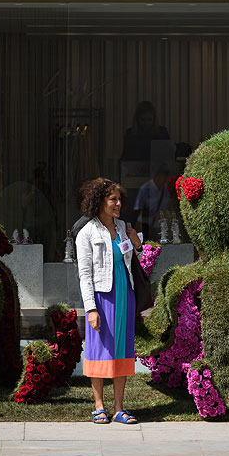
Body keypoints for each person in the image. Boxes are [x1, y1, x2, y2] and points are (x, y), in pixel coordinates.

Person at [75, 178, 143, 424]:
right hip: (102, 297)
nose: (118, 203)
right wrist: (91, 308)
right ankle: (99, 406)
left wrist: (137, 245)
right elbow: (84, 275)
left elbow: (131, 258)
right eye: (113, 199)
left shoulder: (123, 227)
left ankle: (119, 408)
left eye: (119, 199)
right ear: (99, 202)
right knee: (100, 349)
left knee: (122, 349)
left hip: (125, 294)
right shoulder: (86, 233)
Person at [133, 164, 171, 239]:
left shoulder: (166, 188)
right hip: (147, 225)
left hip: (161, 226)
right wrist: (153, 214)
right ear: (158, 176)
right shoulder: (145, 188)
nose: (165, 180)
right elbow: (137, 209)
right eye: (163, 177)